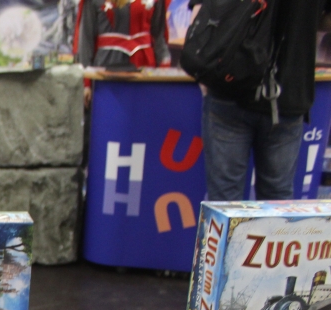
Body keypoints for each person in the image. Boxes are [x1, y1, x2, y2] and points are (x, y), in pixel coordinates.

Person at [197, 0, 327, 201]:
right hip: (289, 90)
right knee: (277, 197)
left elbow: (203, 13)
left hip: (230, 85)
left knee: (224, 200)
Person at [76, 0, 170, 69]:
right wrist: (86, 81)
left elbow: (159, 35)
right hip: (107, 65)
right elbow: (86, 39)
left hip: (144, 65)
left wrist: (164, 64)